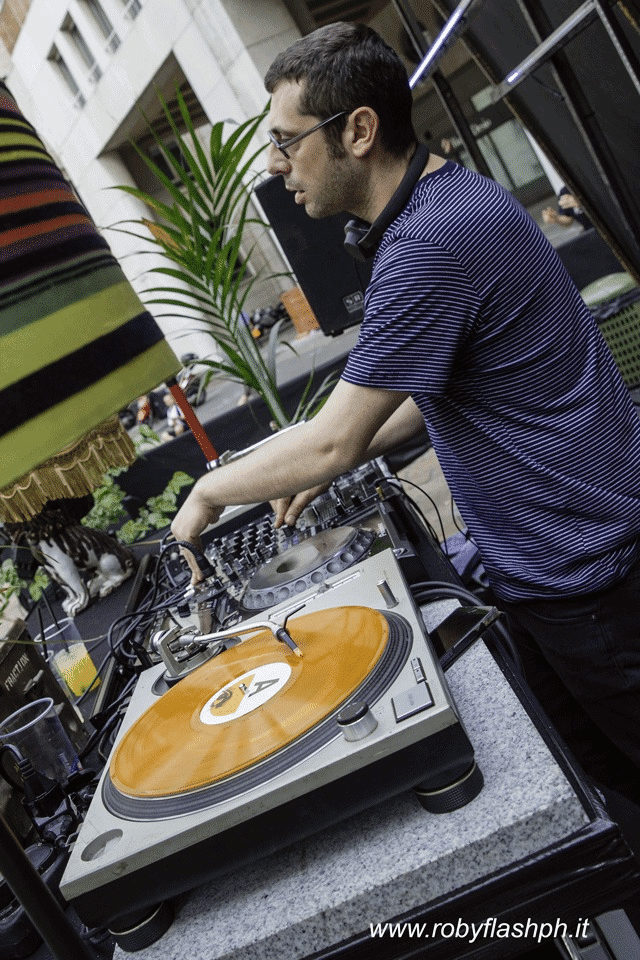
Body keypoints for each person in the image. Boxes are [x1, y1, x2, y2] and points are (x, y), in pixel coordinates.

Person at [172, 22, 640, 786]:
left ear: (358, 131)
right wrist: (331, 457)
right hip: (558, 561)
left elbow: (333, 440)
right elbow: (438, 389)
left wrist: (209, 492)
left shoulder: (429, 244)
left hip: (586, 574)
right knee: (590, 775)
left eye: (287, 141)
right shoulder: (450, 198)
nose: (275, 165)